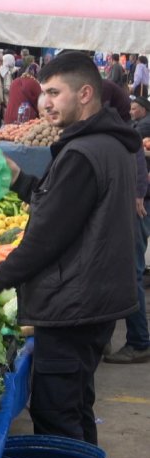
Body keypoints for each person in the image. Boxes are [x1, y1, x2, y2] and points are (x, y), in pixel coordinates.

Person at [0, 52, 140, 444]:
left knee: (57, 416)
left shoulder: (83, 153)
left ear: (85, 93)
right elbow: (67, 207)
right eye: (43, 94)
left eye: (55, 93)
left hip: (74, 304)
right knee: (75, 407)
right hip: (96, 301)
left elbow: (46, 237)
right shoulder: (110, 144)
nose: (45, 103)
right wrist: (22, 181)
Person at [103, 94, 150, 364]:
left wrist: (138, 193)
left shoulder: (123, 134)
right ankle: (104, 339)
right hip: (129, 210)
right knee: (116, 274)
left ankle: (139, 342)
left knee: (129, 276)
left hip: (134, 213)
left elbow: (137, 170)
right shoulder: (123, 133)